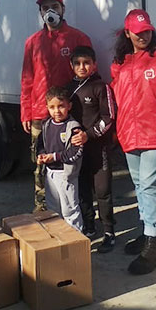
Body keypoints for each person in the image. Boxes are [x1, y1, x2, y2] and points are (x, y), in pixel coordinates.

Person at [110, 8, 156, 275]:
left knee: (150, 186)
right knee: (139, 184)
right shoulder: (120, 63)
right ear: (127, 33)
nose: (144, 36)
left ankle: (153, 245)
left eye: (147, 31)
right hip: (128, 133)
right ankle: (146, 231)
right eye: (138, 32)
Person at [21, 0, 92, 212]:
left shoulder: (78, 38)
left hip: (68, 114)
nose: (50, 11)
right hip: (40, 114)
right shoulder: (33, 42)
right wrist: (26, 111)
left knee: (72, 161)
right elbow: (27, 78)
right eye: (45, 8)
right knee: (40, 161)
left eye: (55, 6)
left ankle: (75, 206)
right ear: (40, 12)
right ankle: (42, 207)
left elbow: (89, 73)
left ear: (63, 9)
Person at [65, 45, 117, 252]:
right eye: (77, 63)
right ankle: (89, 225)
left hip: (98, 148)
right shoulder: (67, 88)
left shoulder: (101, 87)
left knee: (102, 191)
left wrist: (90, 134)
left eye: (86, 63)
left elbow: (109, 117)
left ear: (94, 64)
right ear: (71, 66)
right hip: (77, 150)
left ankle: (109, 231)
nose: (82, 67)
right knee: (82, 189)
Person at [35, 86, 85, 231]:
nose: (56, 111)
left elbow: (76, 152)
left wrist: (55, 157)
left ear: (69, 106)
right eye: (52, 107)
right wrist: (41, 155)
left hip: (66, 174)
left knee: (69, 209)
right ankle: (59, 235)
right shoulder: (46, 124)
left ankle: (76, 236)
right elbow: (40, 144)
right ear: (47, 108)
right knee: (53, 208)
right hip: (50, 173)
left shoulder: (73, 127)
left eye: (61, 106)